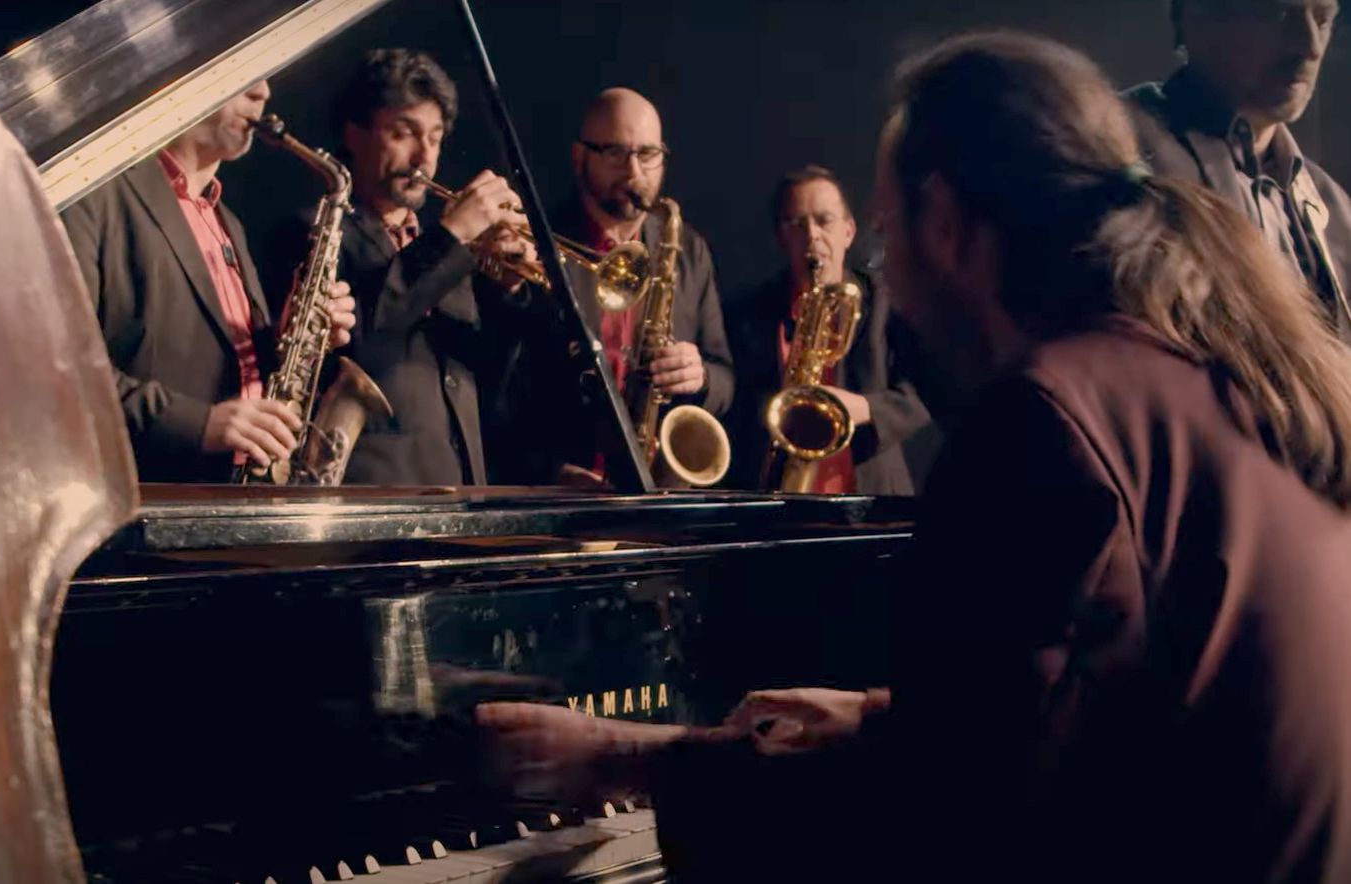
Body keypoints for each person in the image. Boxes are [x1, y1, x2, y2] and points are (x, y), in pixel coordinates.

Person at [477, 32, 1351, 881]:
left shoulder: (1045, 419)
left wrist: (638, 757)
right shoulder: (1231, 373)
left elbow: (936, 820)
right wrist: (876, 718)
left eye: (886, 237)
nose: (890, 279)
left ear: (943, 220)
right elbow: (1088, 721)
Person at [63, 80, 357, 482]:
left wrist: (293, 336)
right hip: (137, 499)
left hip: (222, 495)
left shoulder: (226, 221)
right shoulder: (95, 196)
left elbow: (203, 356)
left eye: (268, 76)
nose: (263, 92)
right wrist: (198, 424)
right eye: (246, 71)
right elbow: (57, 370)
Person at [306, 48, 542, 486]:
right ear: (354, 132)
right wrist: (452, 236)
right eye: (404, 133)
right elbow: (366, 332)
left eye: (434, 137)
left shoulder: (446, 252)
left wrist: (505, 290)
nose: (424, 157)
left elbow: (492, 381)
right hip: (370, 495)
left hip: (460, 490)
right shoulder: (318, 231)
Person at [544, 88, 735, 481]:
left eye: (647, 154)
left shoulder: (687, 248)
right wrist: (549, 470)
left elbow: (725, 378)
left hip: (659, 488)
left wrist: (701, 376)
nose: (634, 173)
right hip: (564, 487)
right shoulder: (542, 242)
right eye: (615, 153)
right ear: (580, 158)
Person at [1126, 0, 1349, 334]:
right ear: (1191, 18)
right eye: (1281, 14)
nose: (1310, 47)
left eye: (1323, 20)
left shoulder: (1333, 205)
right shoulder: (1118, 152)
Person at [726, 166, 931, 494]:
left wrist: (862, 409)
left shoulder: (888, 301)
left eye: (824, 221)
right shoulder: (749, 314)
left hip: (869, 499)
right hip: (780, 501)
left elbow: (926, 390)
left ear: (848, 232)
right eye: (796, 223)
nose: (811, 236)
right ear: (781, 237)